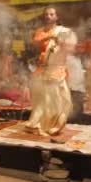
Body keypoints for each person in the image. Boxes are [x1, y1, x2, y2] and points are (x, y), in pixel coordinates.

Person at [24, 7, 77, 136]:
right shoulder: (40, 31)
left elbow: (70, 47)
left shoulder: (64, 31)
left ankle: (56, 125)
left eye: (51, 14)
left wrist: (59, 39)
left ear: (56, 17)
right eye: (46, 14)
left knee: (62, 100)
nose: (48, 16)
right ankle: (40, 124)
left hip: (58, 68)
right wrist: (50, 36)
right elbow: (35, 43)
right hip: (44, 69)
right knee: (44, 100)